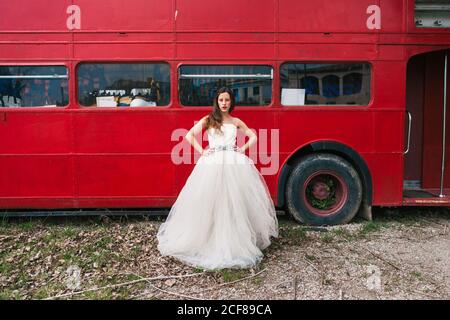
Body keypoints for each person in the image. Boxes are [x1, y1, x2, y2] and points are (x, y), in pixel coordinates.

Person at [157, 87, 278, 270]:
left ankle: (234, 240)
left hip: (232, 163)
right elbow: (189, 135)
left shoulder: (236, 121)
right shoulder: (209, 119)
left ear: (231, 102)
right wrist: (202, 150)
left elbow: (253, 136)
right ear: (216, 101)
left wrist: (242, 148)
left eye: (227, 100)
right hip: (212, 164)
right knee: (210, 201)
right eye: (221, 100)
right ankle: (209, 238)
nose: (224, 103)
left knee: (233, 202)